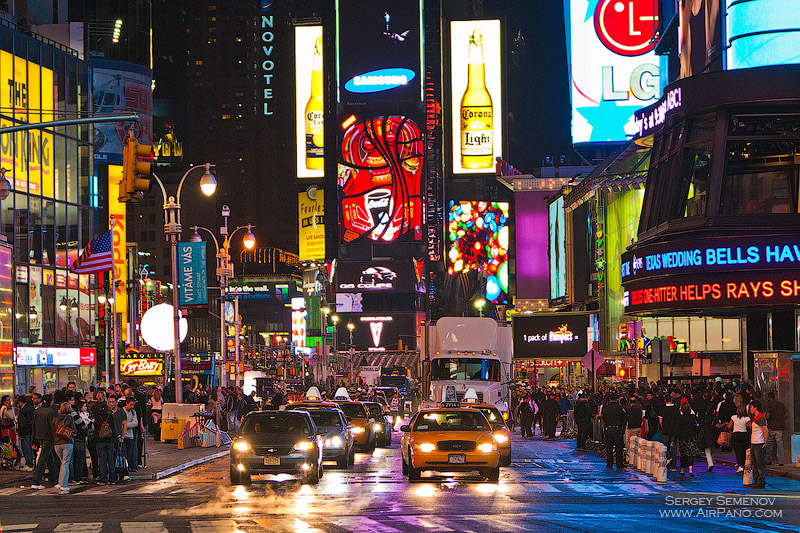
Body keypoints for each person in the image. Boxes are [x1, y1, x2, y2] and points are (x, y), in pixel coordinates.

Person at [30, 395, 56, 489]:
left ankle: (57, 480)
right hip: (48, 437)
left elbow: (34, 427)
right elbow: (52, 426)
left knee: (49, 459)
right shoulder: (51, 412)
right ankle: (36, 481)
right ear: (51, 401)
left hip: (39, 436)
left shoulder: (37, 411)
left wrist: (34, 441)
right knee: (43, 460)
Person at [92, 394, 118, 485]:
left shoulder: (97, 418)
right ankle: (112, 479)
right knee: (111, 460)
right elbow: (114, 428)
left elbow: (95, 429)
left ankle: (102, 479)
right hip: (109, 440)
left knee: (102, 460)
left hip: (100, 440)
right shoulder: (110, 417)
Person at [52, 402, 75, 494]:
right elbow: (74, 431)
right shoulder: (69, 418)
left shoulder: (55, 418)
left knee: (62, 462)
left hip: (57, 442)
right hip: (67, 442)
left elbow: (52, 429)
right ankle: (63, 485)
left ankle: (59, 482)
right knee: (65, 463)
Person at [601, 395, 626, 470]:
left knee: (609, 447)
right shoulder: (620, 409)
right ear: (617, 399)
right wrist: (622, 427)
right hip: (618, 429)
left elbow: (604, 418)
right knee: (619, 447)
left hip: (609, 429)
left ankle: (609, 463)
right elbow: (624, 419)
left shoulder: (606, 409)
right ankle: (619, 463)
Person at [747, 400, 768, 489]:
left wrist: (765, 442)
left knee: (760, 464)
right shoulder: (755, 418)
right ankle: (756, 480)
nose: (750, 409)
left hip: (759, 443)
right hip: (754, 443)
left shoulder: (760, 418)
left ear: (756, 408)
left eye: (751, 407)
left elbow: (765, 430)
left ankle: (761, 481)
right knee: (754, 464)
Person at [675, 400, 698, 477]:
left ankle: (682, 469)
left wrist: (675, 439)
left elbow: (678, 428)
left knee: (683, 454)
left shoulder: (680, 418)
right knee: (691, 454)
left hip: (683, 438)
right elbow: (696, 427)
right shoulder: (693, 417)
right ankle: (691, 470)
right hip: (691, 437)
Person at [71, 400, 91, 483]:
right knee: (79, 459)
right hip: (78, 439)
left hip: (73, 440)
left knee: (74, 460)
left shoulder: (69, 416)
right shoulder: (75, 416)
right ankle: (78, 477)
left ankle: (75, 477)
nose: (85, 408)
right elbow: (83, 425)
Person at [727, 402, 751, 473]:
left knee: (738, 451)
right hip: (744, 435)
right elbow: (750, 426)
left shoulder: (733, 417)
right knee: (743, 450)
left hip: (736, 435)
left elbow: (729, 426)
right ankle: (742, 464)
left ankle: (740, 465)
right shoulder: (747, 418)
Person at [764, 391, 787, 466]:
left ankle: (769, 460)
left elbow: (767, 416)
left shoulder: (769, 404)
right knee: (779, 443)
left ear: (769, 397)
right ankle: (781, 461)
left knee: (770, 443)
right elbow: (786, 414)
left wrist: (765, 418)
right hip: (780, 427)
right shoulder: (781, 404)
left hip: (771, 426)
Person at [659, 394, 679, 471]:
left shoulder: (662, 409)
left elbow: (660, 420)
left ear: (665, 400)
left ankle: (668, 458)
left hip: (665, 429)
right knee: (674, 447)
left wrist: (662, 426)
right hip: (674, 429)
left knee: (664, 445)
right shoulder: (676, 408)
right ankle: (673, 465)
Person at [122, 397, 140, 475]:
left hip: (130, 436)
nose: (132, 406)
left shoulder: (133, 412)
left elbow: (136, 423)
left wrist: (126, 425)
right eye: (131, 404)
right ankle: (124, 469)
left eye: (133, 405)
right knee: (123, 454)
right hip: (123, 436)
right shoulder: (121, 411)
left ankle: (128, 467)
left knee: (129, 454)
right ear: (127, 403)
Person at [16, 395, 35, 470]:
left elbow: (22, 423)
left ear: (20, 402)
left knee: (26, 448)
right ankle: (31, 463)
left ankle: (29, 464)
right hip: (31, 431)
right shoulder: (31, 408)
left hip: (25, 432)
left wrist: (20, 433)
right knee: (30, 448)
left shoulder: (23, 410)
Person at [0, 395, 18, 467]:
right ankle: (9, 456)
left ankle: (6, 458)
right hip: (8, 429)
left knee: (5, 445)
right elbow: (12, 417)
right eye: (7, 400)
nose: (9, 401)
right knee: (8, 444)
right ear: (4, 401)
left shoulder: (3, 408)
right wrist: (12, 408)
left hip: (5, 429)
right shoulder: (5, 408)